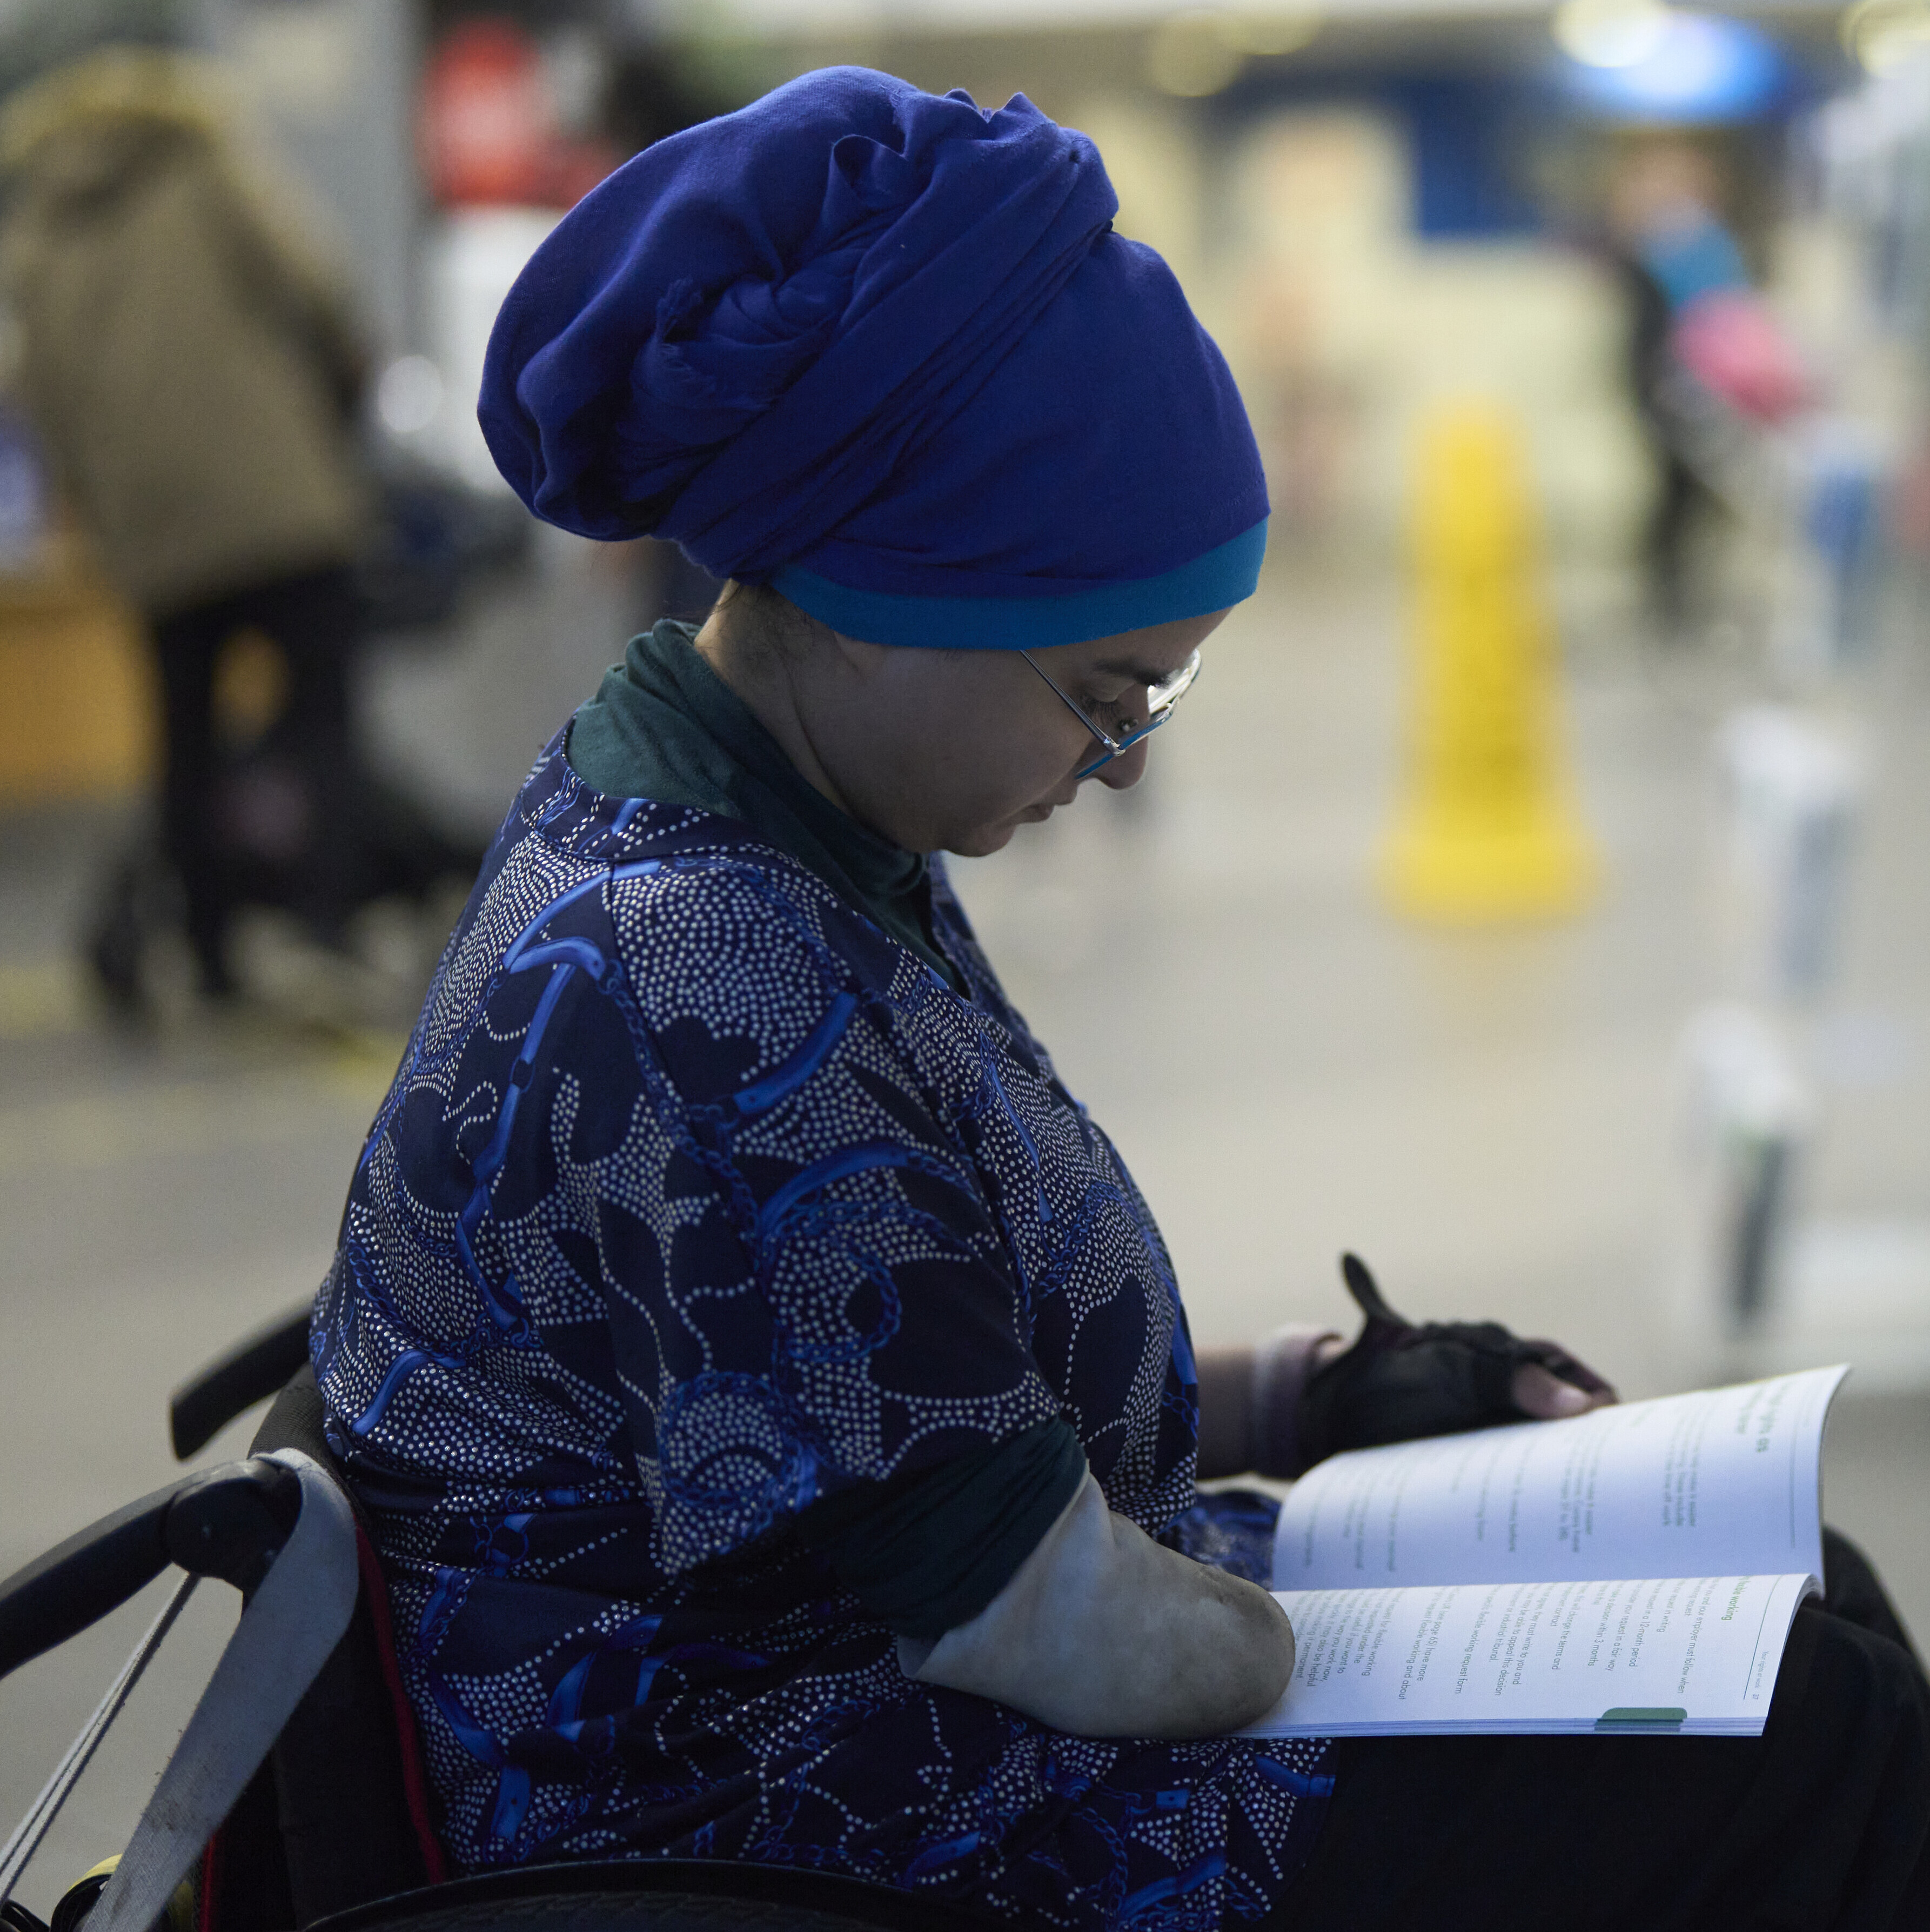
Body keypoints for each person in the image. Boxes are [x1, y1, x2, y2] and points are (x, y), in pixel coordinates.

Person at [312, 71, 1930, 1930]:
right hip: (816, 1813)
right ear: (886, 584)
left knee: (1805, 1594)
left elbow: (912, 1364)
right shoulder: (697, 963)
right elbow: (1047, 1621)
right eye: (1104, 691)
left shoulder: (787, 822)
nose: (1122, 766)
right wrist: (1400, 1621)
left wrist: (1319, 1401)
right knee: (1804, 1728)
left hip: (929, 1685)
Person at [0, 48, 470, 1006]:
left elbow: (35, 399)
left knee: (183, 736)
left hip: (153, 530)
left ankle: (210, 955)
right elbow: (318, 288)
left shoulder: (35, 233)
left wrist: (102, 501)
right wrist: (340, 411)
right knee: (319, 716)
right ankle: (325, 921)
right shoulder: (207, 172)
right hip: (281, 499)